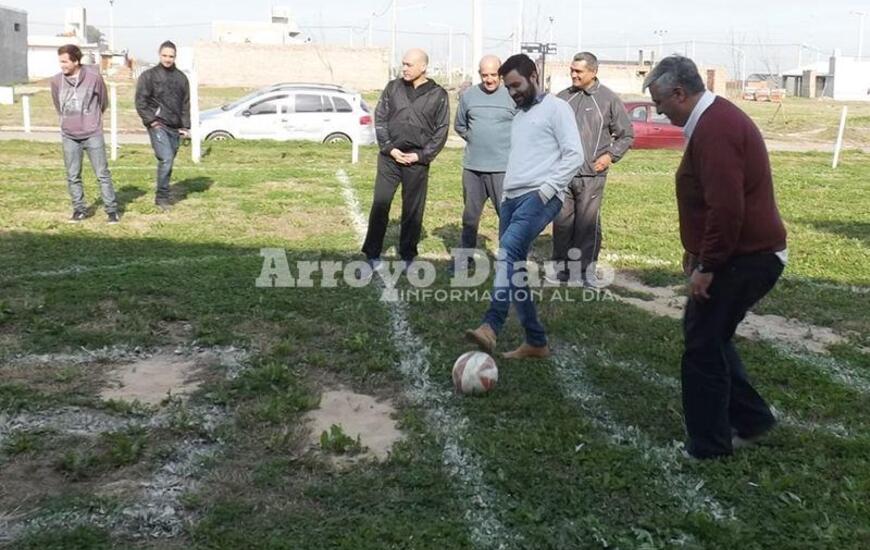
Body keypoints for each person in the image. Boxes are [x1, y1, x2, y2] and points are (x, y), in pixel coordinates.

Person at [643, 55, 788, 459]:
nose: (658, 110)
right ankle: (753, 418)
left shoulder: (717, 129)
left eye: (660, 101)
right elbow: (712, 204)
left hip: (748, 257)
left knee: (702, 344)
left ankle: (709, 445)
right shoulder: (711, 121)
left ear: (680, 93)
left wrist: (708, 266)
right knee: (711, 335)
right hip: (742, 254)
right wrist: (697, 252)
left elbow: (727, 209)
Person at [465, 54, 583, 360]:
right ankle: (536, 341)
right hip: (513, 198)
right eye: (508, 87)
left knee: (507, 250)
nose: (512, 92)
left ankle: (491, 325)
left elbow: (574, 155)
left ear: (534, 75)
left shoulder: (557, 108)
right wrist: (506, 198)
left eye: (516, 84)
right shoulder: (518, 117)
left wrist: (545, 191)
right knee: (513, 267)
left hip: (540, 196)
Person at [549, 52, 634, 286]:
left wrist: (610, 156)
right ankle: (561, 270)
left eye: (579, 71)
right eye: (572, 70)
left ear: (593, 72)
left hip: (591, 175)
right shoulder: (562, 98)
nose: (573, 75)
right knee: (562, 223)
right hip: (563, 175)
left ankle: (585, 272)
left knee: (587, 224)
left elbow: (626, 135)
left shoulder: (607, 99)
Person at [362, 49, 449, 270]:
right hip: (390, 158)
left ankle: (408, 253)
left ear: (423, 67)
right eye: (403, 64)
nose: (404, 68)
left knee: (412, 209)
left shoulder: (438, 94)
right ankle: (372, 252)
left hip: (416, 161)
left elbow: (441, 130)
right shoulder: (393, 88)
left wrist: (421, 155)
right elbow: (380, 118)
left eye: (409, 65)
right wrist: (389, 148)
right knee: (381, 203)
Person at [452, 55, 517, 272]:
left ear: (501, 74)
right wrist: (476, 138)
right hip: (473, 168)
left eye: (493, 75)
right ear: (479, 74)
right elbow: (460, 125)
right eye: (484, 75)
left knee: (506, 217)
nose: (488, 79)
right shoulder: (469, 96)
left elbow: (524, 126)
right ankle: (465, 259)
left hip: (502, 170)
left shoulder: (512, 95)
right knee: (470, 217)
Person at [50, 44, 119, 224]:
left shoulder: (94, 77)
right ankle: (79, 210)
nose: (62, 65)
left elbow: (103, 102)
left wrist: (92, 119)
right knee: (73, 175)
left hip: (92, 133)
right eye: (60, 62)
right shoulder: (56, 81)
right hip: (69, 135)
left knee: (102, 173)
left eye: (65, 61)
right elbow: (58, 105)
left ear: (75, 60)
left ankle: (111, 211)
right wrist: (68, 121)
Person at [135, 40, 190, 210]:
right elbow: (140, 101)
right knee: (166, 159)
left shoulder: (181, 78)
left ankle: (163, 191)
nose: (167, 59)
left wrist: (185, 126)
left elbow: (185, 104)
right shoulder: (149, 76)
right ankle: (162, 197)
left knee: (169, 160)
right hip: (158, 125)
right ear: (159, 55)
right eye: (165, 55)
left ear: (175, 57)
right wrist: (151, 121)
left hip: (175, 127)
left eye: (171, 56)